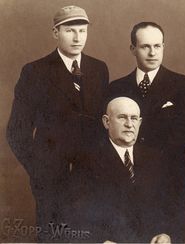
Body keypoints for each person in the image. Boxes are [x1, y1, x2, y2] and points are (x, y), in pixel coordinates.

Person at [6, 5, 109, 241]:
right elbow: (16, 131)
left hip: (91, 175)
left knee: (90, 235)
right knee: (55, 237)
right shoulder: (35, 71)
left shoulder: (99, 69)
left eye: (82, 31)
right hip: (51, 177)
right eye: (69, 30)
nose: (77, 37)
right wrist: (39, 168)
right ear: (55, 32)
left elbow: (103, 123)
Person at [106, 22, 185, 242]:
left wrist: (147, 156)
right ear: (133, 49)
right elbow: (110, 133)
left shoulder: (182, 85)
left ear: (164, 46)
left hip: (168, 175)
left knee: (165, 237)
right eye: (145, 46)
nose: (152, 52)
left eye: (157, 46)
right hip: (125, 172)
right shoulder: (116, 88)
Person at [69, 96, 172, 243]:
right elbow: (76, 211)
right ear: (106, 122)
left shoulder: (155, 159)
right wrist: (100, 241)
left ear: (140, 122)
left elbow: (166, 206)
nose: (129, 124)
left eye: (134, 118)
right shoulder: (87, 160)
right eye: (122, 117)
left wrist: (165, 233)